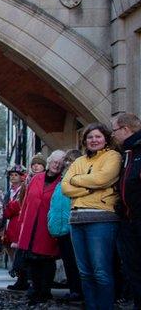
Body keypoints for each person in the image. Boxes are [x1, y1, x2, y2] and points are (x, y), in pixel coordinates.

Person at [63, 123, 122, 310]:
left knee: (101, 271)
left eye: (97, 136)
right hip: (77, 219)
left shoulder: (113, 156)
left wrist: (77, 181)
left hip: (101, 219)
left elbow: (103, 178)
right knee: (85, 272)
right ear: (85, 140)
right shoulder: (78, 161)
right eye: (90, 137)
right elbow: (65, 187)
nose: (93, 140)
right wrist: (89, 187)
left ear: (105, 138)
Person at [16, 150, 64, 304]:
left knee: (46, 259)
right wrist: (22, 222)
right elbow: (25, 202)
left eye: (60, 162)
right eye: (54, 161)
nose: (56, 164)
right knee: (31, 259)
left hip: (47, 225)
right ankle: (35, 288)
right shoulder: (36, 179)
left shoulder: (63, 182)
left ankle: (45, 290)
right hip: (31, 224)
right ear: (49, 162)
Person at [112, 113, 141, 309]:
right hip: (129, 220)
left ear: (125, 129)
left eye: (114, 130)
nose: (113, 135)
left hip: (138, 219)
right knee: (133, 268)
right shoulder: (127, 153)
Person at [48, 149, 82, 303]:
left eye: (71, 161)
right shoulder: (62, 180)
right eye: (66, 161)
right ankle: (74, 290)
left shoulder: (78, 179)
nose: (67, 164)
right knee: (69, 261)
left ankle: (78, 291)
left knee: (76, 262)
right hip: (61, 228)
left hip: (72, 225)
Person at [1, 163, 28, 291]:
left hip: (18, 224)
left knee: (20, 254)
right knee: (13, 254)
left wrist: (8, 209)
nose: (12, 177)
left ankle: (23, 280)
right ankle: (19, 278)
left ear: (22, 176)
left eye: (16, 175)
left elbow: (17, 206)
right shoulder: (10, 192)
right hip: (10, 225)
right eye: (11, 175)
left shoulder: (23, 190)